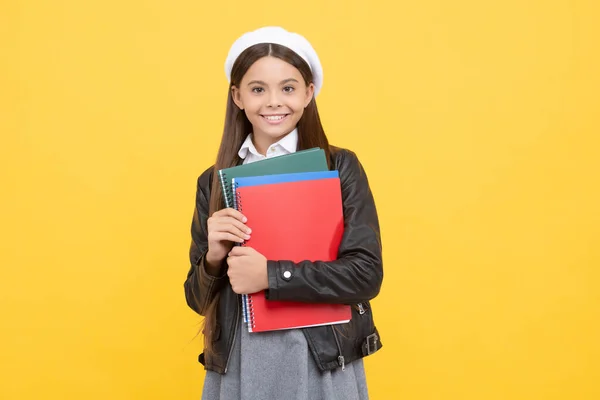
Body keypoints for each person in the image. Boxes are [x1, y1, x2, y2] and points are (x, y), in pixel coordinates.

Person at [184, 26, 383, 400]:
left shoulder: (338, 167)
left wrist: (271, 275)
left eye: (288, 88)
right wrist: (213, 258)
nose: (274, 101)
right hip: (241, 360)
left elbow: (366, 274)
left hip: (320, 355)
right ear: (237, 96)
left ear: (309, 93)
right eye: (258, 89)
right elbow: (197, 300)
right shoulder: (212, 182)